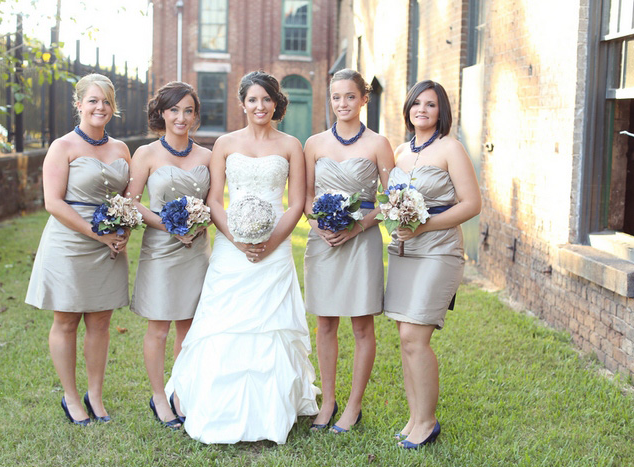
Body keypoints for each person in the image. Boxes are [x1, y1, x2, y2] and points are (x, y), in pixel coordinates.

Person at [168, 71, 319, 444]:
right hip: (231, 247)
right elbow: (215, 200)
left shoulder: (290, 145)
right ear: (242, 104)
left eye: (266, 99)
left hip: (275, 246)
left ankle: (271, 411)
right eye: (253, 99)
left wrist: (269, 243)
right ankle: (214, 405)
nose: (260, 106)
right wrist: (237, 240)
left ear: (276, 103)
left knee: (271, 325)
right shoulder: (224, 143)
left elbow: (297, 202)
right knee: (224, 322)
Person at [26, 73, 131, 425]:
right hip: (70, 244)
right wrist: (96, 234)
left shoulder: (121, 149)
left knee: (101, 321)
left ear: (112, 107)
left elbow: (126, 200)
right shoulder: (63, 147)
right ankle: (71, 397)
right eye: (93, 101)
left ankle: (96, 396)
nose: (100, 107)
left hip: (109, 247)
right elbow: (52, 202)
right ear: (79, 104)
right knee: (67, 319)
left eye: (106, 101)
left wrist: (123, 229)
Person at [385, 80, 481, 448]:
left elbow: (471, 204)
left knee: (415, 336)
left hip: (439, 251)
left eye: (431, 104)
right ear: (408, 108)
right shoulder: (399, 151)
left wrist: (423, 224)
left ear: (441, 112)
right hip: (404, 253)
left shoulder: (450, 148)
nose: (422, 110)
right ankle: (414, 417)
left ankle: (427, 421)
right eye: (416, 103)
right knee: (405, 338)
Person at [303, 69, 394, 433]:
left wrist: (359, 225)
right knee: (324, 322)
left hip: (362, 242)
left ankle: (353, 407)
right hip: (323, 241)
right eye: (336, 97)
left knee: (361, 324)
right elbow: (306, 197)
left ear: (363, 99)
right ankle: (327, 402)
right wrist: (318, 226)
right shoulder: (313, 143)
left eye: (350, 97)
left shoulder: (378, 144)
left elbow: (392, 199)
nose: (343, 103)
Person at [125, 82, 211, 429]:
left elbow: (215, 202)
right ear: (161, 113)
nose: (181, 117)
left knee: (189, 328)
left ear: (195, 115)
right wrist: (166, 225)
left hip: (196, 250)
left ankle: (181, 392)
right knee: (159, 326)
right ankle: (159, 397)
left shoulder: (207, 156)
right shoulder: (145, 154)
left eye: (188, 110)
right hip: (161, 249)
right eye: (174, 110)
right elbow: (131, 202)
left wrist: (199, 223)